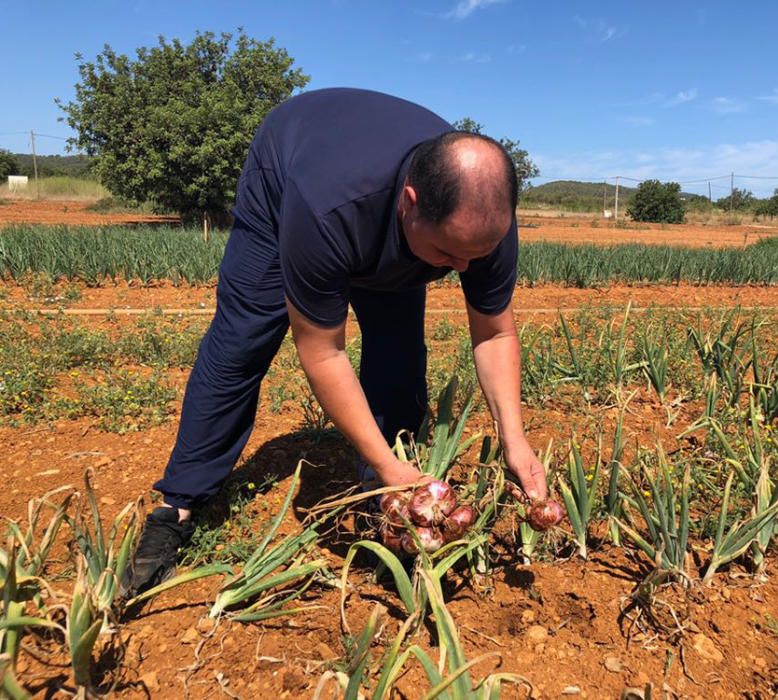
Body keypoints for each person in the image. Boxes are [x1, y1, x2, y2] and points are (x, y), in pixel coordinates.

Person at [120, 87, 547, 598]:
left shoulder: (480, 218)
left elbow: (495, 331)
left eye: (475, 255)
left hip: (377, 210)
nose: (462, 270)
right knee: (243, 339)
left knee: (398, 350)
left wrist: (514, 438)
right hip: (288, 172)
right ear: (411, 204)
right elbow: (323, 350)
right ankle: (180, 503)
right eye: (447, 252)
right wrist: (392, 467)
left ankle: (388, 500)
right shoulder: (327, 205)